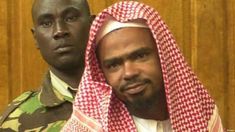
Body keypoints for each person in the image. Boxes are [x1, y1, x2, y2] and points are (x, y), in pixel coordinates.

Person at [62, 1, 224, 132]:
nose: (129, 73)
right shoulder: (87, 129)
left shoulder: (202, 118)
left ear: (164, 56)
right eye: (114, 65)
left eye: (140, 56)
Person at [0, 0, 93, 131]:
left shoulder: (126, 96)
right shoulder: (16, 121)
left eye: (70, 18)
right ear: (36, 38)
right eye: (46, 23)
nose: (60, 31)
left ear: (92, 25)